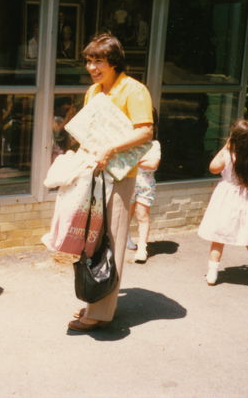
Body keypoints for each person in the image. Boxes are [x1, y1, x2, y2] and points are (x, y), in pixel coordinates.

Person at [68, 33, 153, 332]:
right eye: (89, 61)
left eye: (98, 61)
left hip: (119, 176)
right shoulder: (93, 92)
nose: (92, 67)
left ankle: (101, 312)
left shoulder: (134, 90)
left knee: (112, 240)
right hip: (95, 173)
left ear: (114, 61)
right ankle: (96, 297)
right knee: (92, 238)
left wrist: (111, 149)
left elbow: (146, 132)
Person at [197, 119, 248, 286]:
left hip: (226, 198)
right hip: (247, 200)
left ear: (233, 138)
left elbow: (213, 168)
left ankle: (212, 273)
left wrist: (226, 146)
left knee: (219, 236)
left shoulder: (228, 155)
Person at [126, 108, 161, 263]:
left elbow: (153, 164)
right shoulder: (129, 143)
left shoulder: (154, 144)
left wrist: (135, 160)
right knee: (126, 214)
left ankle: (142, 248)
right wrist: (140, 160)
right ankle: (125, 238)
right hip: (129, 183)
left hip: (145, 186)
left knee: (142, 215)